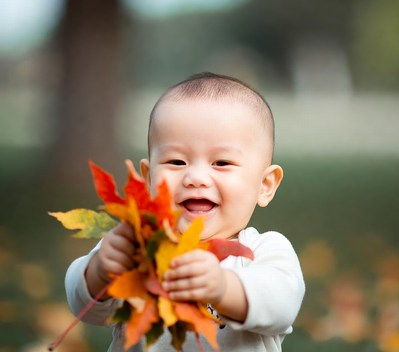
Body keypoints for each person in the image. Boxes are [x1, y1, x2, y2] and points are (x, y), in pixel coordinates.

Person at [65, 72, 305, 352]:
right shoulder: (138, 245)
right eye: (177, 161)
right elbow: (88, 309)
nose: (196, 177)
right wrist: (100, 270)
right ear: (148, 178)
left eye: (222, 162)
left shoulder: (263, 251)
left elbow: (281, 304)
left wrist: (223, 288)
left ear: (264, 186)